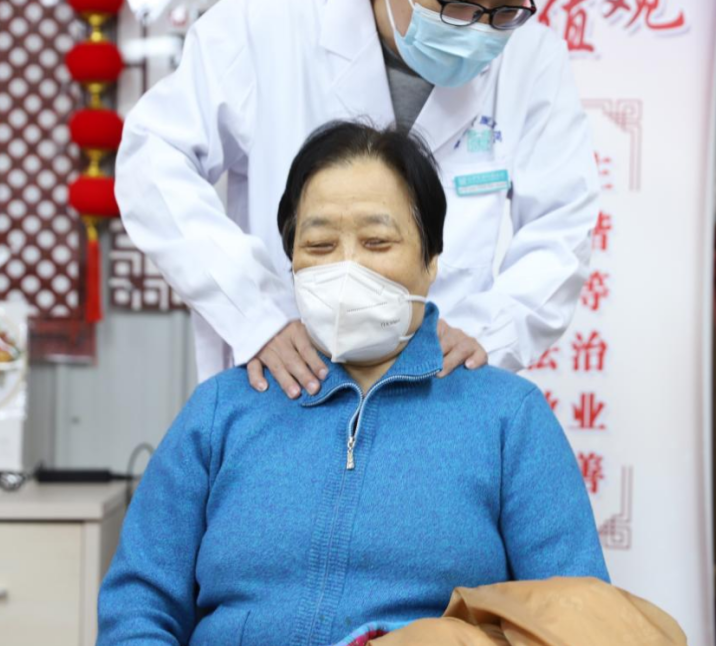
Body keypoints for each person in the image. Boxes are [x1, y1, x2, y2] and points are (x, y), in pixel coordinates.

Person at [96, 122, 608, 646]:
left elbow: (577, 628)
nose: (347, 267)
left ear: (431, 260)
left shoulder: (507, 419)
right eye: (319, 245)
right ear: (290, 262)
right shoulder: (220, 411)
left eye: (377, 241)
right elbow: (136, 610)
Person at [116, 0, 599, 395]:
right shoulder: (266, 21)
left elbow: (562, 225)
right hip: (291, 379)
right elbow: (153, 157)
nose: (479, 30)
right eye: (457, 7)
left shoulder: (531, 58)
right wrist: (254, 311)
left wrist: (491, 331)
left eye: (505, 11)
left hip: (441, 388)